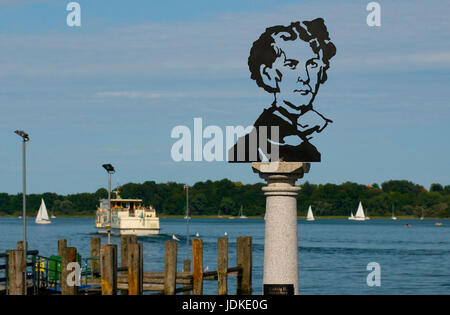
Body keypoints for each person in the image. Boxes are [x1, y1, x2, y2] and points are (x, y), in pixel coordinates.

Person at [228, 18, 336, 162]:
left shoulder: (320, 126)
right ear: (268, 74)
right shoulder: (254, 143)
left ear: (322, 71)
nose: (305, 77)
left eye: (312, 65)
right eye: (291, 65)